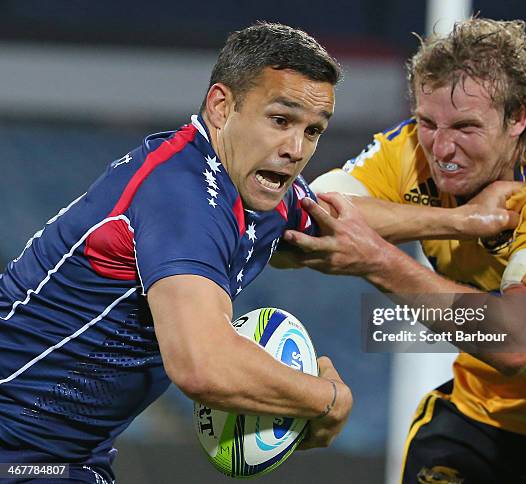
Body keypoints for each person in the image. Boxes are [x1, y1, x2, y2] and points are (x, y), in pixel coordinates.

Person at [0, 23, 353, 483]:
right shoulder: (182, 194)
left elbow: (345, 220)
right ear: (222, 107)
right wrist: (327, 400)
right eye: (281, 121)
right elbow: (203, 364)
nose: (295, 149)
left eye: (313, 131)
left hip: (65, 458)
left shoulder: (250, 186)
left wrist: (464, 218)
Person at [283, 18, 526, 483]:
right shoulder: (406, 154)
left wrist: (379, 260)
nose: (441, 148)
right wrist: (460, 220)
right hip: (477, 423)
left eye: (465, 126)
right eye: (426, 122)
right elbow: (303, 218)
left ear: (518, 117)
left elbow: (519, 339)